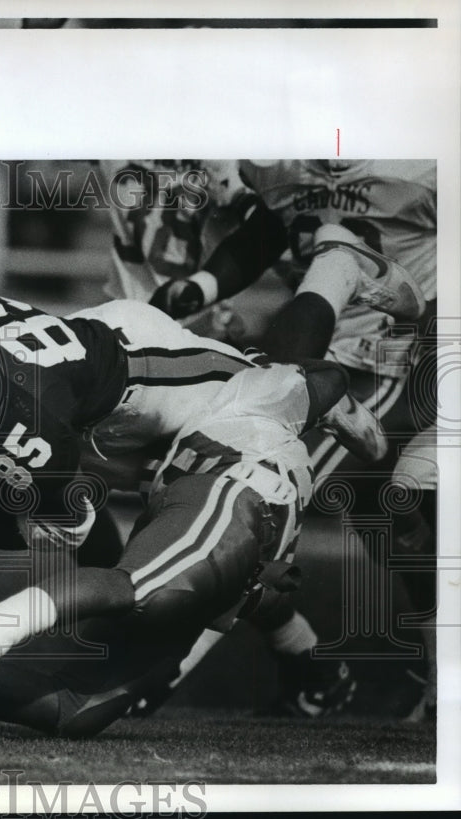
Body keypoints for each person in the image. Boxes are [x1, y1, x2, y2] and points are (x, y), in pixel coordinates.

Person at [0, 283, 372, 734]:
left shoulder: (35, 432)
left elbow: (79, 523)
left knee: (98, 675)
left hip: (145, 386)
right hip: (158, 432)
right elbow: (80, 526)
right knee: (117, 649)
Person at [148, 159, 437, 718]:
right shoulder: (277, 165)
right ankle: (394, 677)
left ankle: (156, 670)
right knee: (395, 530)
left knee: (255, 495)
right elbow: (266, 233)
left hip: (398, 359)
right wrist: (205, 283)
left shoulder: (423, 163)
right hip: (315, 356)